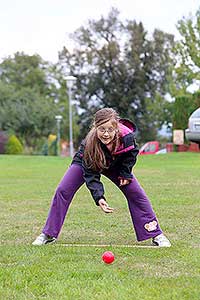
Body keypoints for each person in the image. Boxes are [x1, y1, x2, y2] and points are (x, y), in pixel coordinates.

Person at [32, 108, 171, 247]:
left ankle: (155, 234)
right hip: (87, 162)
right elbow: (91, 174)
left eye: (110, 130)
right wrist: (99, 197)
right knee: (63, 190)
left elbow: (131, 154)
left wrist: (125, 173)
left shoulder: (127, 137)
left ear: (116, 128)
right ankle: (48, 233)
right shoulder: (89, 144)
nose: (106, 134)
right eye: (102, 129)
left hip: (115, 164)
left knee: (136, 193)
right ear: (95, 127)